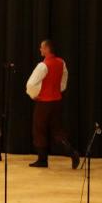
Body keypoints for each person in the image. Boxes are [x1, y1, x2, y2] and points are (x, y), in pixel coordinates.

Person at [25, 39, 80, 169]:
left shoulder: (43, 65)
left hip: (44, 102)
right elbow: (64, 79)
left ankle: (42, 160)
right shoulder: (61, 62)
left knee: (39, 129)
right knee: (57, 130)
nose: (40, 49)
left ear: (47, 49)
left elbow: (31, 84)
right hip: (57, 101)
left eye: (41, 47)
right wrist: (58, 90)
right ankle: (72, 152)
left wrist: (33, 95)